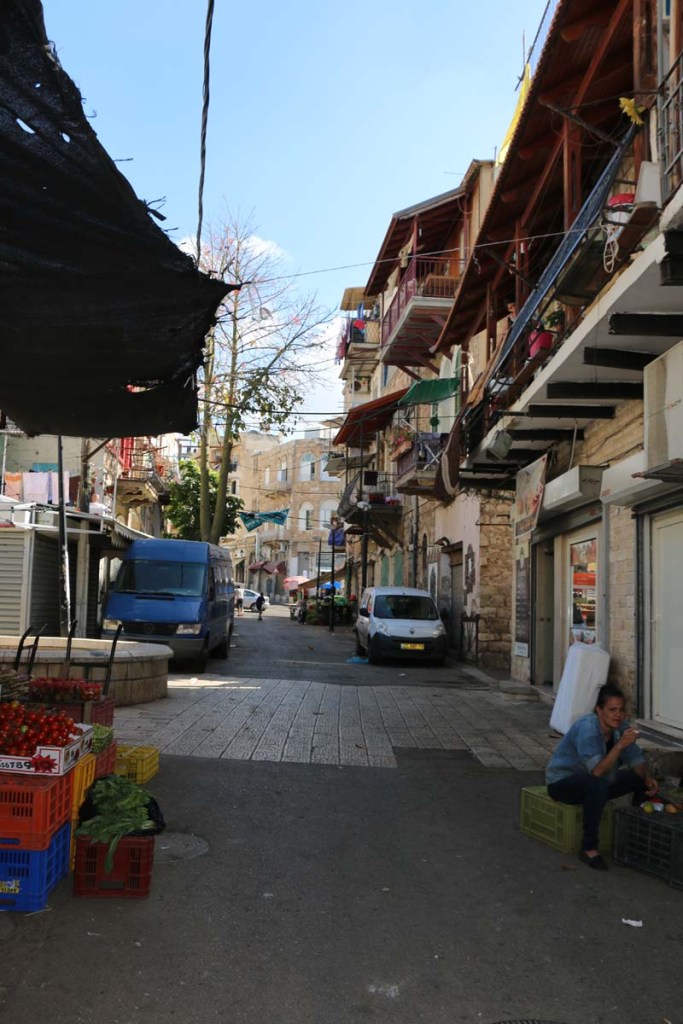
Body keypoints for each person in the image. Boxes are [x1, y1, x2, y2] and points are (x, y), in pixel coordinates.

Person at [545, 683, 657, 871]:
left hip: (599, 783)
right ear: (599, 710)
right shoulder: (587, 727)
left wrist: (647, 777)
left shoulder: (621, 728)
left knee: (638, 780)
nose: (618, 715)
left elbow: (636, 759)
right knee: (596, 784)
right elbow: (597, 772)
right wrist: (620, 745)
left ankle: (638, 838)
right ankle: (588, 847)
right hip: (563, 784)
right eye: (612, 710)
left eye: (621, 710)